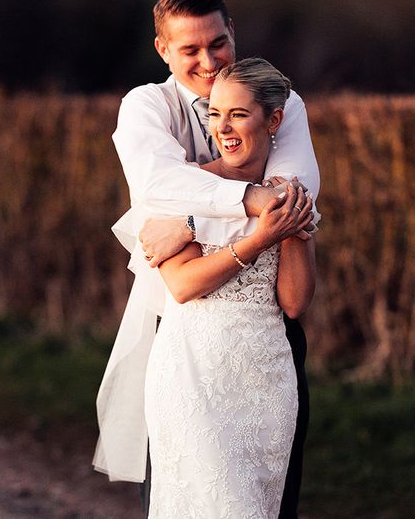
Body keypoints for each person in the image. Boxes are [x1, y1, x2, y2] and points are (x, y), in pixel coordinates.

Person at [93, 0, 320, 518]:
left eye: (217, 43)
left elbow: (293, 194)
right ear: (162, 49)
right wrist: (248, 202)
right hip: (179, 328)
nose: (208, 61)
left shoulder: (278, 99)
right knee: (184, 489)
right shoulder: (147, 106)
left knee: (269, 498)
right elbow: (157, 189)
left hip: (267, 337)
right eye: (189, 49)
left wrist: (192, 217)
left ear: (232, 33)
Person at [146, 58, 317, 517]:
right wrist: (262, 237)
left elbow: (295, 303)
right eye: (215, 113)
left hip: (265, 379)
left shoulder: (288, 196)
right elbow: (182, 285)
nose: (223, 126)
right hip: (192, 375)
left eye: (238, 114)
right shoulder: (188, 187)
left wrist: (291, 227)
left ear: (274, 120)